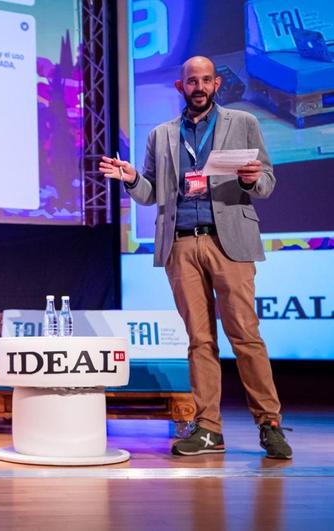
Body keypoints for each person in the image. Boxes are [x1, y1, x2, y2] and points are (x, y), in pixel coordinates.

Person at [99, 56, 292, 459]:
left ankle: (269, 424)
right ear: (180, 87)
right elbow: (152, 193)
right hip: (182, 243)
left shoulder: (243, 123)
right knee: (200, 341)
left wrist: (252, 178)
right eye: (192, 81)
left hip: (230, 243)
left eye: (205, 80)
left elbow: (268, 184)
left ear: (217, 84)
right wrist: (132, 178)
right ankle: (207, 428)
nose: (199, 86)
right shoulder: (161, 135)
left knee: (245, 335)